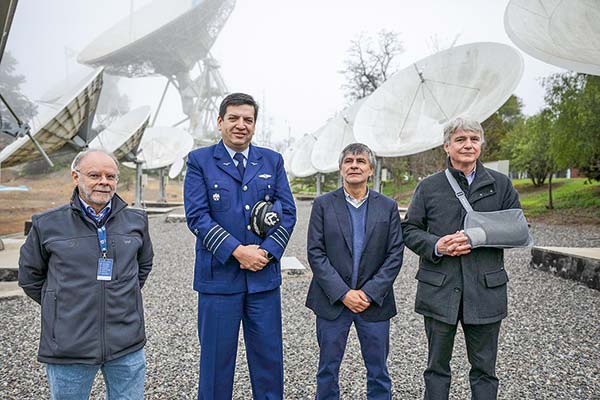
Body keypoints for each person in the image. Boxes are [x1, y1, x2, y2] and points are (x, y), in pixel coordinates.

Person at [184, 92, 297, 400]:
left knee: (269, 363)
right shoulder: (200, 161)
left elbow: (287, 212)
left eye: (248, 119)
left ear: (255, 125)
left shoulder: (272, 161)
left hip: (263, 280)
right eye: (233, 118)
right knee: (216, 366)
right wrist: (237, 251)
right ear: (220, 122)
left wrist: (267, 252)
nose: (241, 125)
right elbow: (197, 217)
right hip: (218, 281)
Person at [401, 117, 523, 400]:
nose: (468, 145)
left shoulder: (501, 185)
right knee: (436, 368)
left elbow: (518, 230)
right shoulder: (429, 187)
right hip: (439, 289)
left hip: (485, 290)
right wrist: (437, 245)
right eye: (460, 139)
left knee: (484, 369)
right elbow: (408, 229)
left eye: (473, 139)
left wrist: (476, 237)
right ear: (447, 146)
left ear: (481, 144)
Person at [18, 149, 154, 400]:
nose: (104, 181)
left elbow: (143, 267)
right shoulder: (47, 224)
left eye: (110, 176)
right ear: (75, 177)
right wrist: (61, 302)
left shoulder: (136, 220)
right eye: (94, 175)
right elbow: (30, 277)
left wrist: (118, 296)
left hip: (126, 344)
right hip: (70, 346)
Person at [306, 143, 404, 400]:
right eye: (348, 161)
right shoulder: (323, 204)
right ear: (340, 169)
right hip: (332, 301)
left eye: (361, 161)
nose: (354, 165)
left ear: (370, 169)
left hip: (374, 303)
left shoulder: (388, 206)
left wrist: (369, 293)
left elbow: (395, 254)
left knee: (378, 370)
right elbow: (316, 253)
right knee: (327, 369)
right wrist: (343, 293)